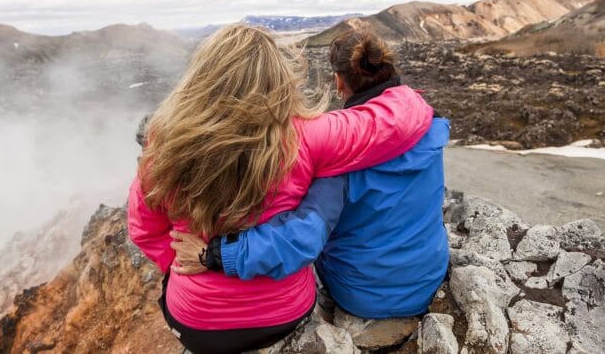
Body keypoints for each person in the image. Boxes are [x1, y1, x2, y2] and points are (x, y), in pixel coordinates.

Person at [127, 24, 434, 354]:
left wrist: (188, 263)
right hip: (281, 316)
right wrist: (398, 86)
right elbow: (396, 121)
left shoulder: (164, 143)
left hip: (194, 325)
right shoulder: (307, 135)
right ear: (277, 75)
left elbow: (144, 229)